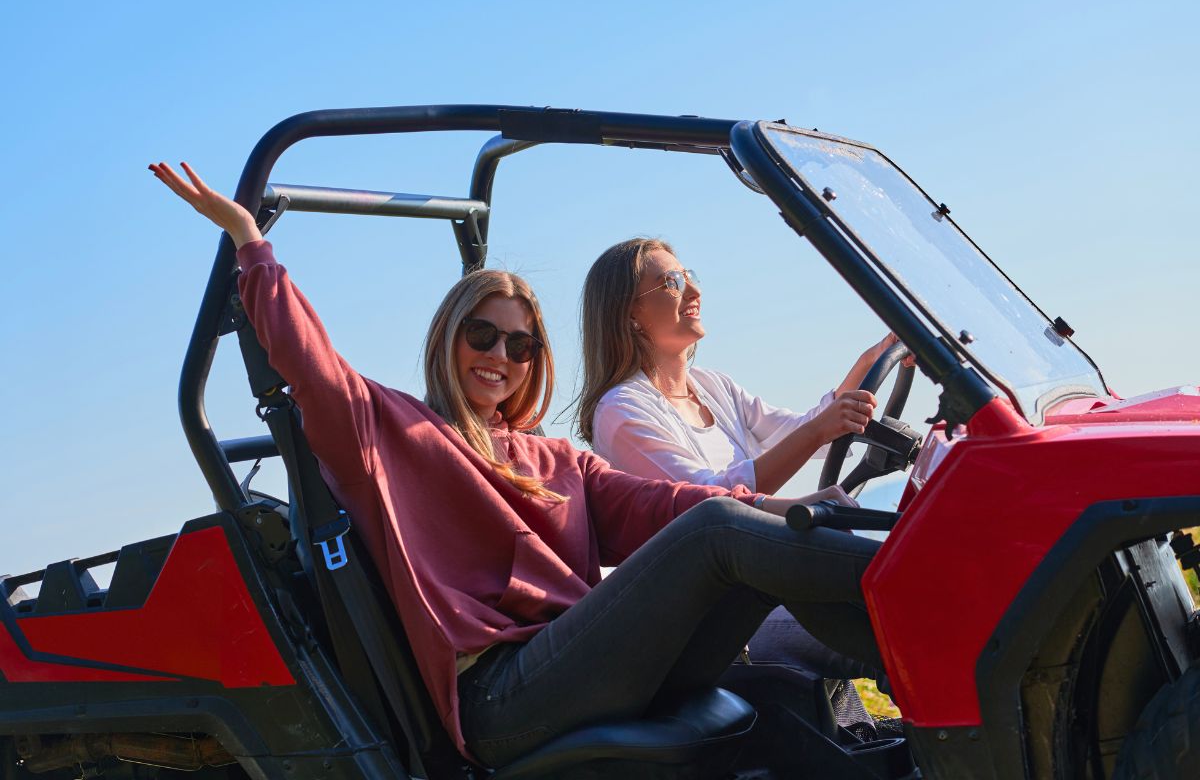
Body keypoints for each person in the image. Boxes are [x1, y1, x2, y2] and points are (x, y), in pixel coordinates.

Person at [151, 162, 885, 769]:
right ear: (450, 338)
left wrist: (797, 512)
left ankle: (914, 628)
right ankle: (935, 582)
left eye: (520, 345)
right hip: (505, 693)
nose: (499, 357)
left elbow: (664, 509)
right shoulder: (394, 431)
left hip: (588, 664)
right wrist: (252, 244)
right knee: (724, 530)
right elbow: (310, 369)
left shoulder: (555, 459)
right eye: (483, 335)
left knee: (735, 539)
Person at [578, 237, 904, 686]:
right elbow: (712, 508)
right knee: (894, 639)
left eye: (689, 276)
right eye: (672, 282)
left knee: (901, 597)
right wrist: (815, 444)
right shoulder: (621, 411)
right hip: (724, 616)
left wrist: (871, 361)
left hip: (769, 581)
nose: (693, 292)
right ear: (629, 312)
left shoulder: (713, 386)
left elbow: (809, 434)